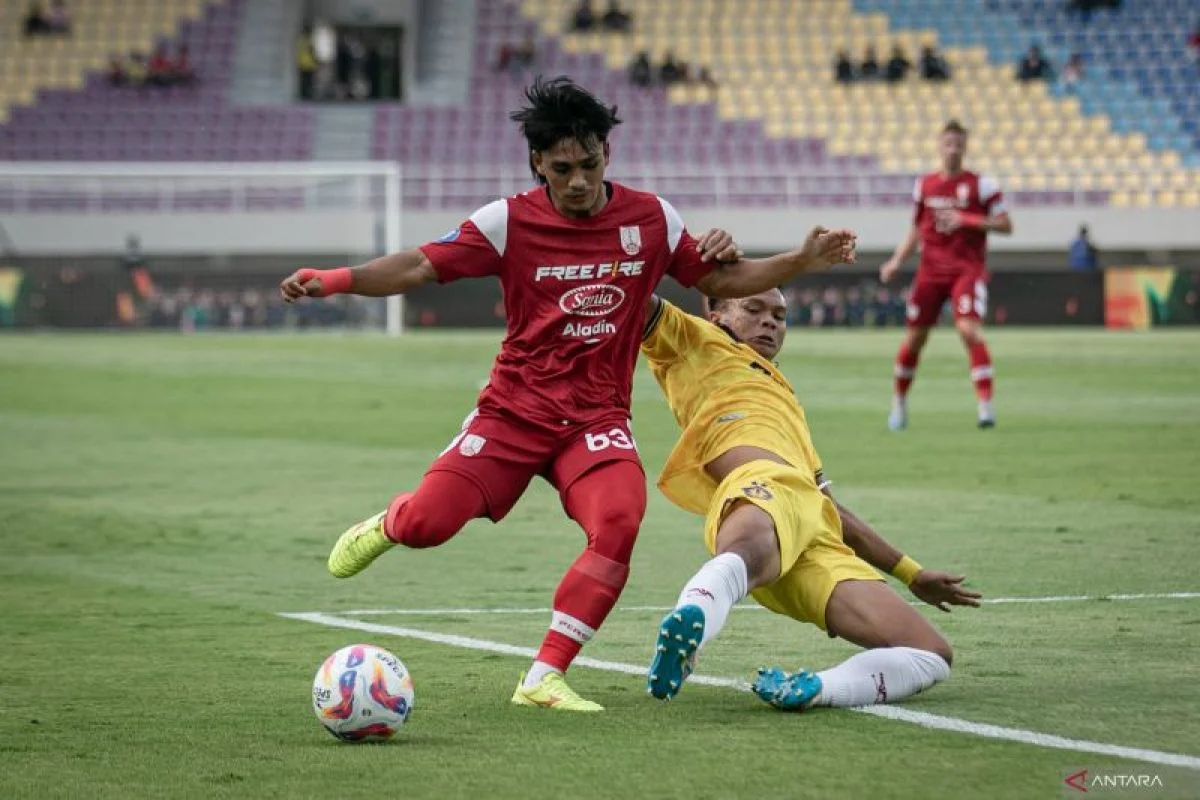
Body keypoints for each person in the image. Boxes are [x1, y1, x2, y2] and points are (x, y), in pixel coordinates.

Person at [278, 77, 858, 712]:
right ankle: (393, 521)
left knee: (618, 519)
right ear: (538, 164)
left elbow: (721, 277)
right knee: (428, 525)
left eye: (588, 164)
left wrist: (800, 259)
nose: (578, 181)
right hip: (512, 413)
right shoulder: (507, 222)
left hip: (595, 419)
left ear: (607, 152)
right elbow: (420, 265)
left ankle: (544, 677)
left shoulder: (652, 219)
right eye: (562, 169)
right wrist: (333, 279)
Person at [641, 289, 979, 707]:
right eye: (754, 308)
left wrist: (911, 573)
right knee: (749, 546)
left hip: (811, 527)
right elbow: (633, 290)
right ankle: (692, 615)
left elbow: (828, 506)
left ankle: (815, 689)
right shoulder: (696, 340)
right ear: (716, 314)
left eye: (780, 316)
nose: (770, 322)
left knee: (931, 653)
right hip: (761, 486)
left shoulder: (784, 395)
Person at [879, 120, 1013, 430]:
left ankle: (985, 406)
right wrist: (897, 260)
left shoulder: (983, 185)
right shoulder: (924, 185)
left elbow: (1006, 224)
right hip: (930, 272)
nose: (952, 149)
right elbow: (916, 227)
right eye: (947, 143)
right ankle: (899, 403)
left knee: (968, 330)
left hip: (966, 270)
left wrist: (966, 219)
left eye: (958, 143)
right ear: (940, 146)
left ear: (965, 147)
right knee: (915, 338)